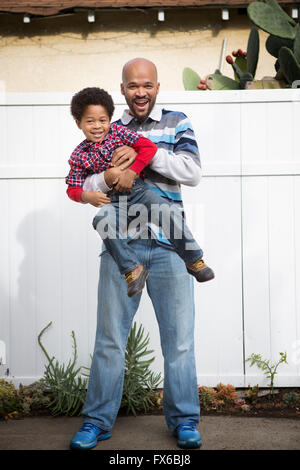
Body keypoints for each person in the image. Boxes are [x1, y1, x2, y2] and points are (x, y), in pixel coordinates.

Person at [70, 58, 208, 450]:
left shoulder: (177, 121)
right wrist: (114, 175)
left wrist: (141, 161)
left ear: (158, 87)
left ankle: (184, 421)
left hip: (169, 247)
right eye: (133, 86)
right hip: (123, 247)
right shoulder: (110, 127)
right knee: (110, 340)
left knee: (179, 341)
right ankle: (96, 422)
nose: (141, 92)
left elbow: (192, 171)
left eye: (147, 85)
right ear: (123, 89)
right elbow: (88, 181)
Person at [66, 87, 214, 297]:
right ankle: (132, 270)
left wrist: (132, 172)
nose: (97, 126)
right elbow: (72, 187)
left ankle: (193, 259)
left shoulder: (119, 132)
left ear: (110, 119)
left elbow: (148, 148)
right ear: (78, 123)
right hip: (115, 202)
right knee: (101, 220)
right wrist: (86, 195)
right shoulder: (79, 155)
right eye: (90, 121)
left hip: (139, 191)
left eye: (102, 120)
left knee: (166, 211)